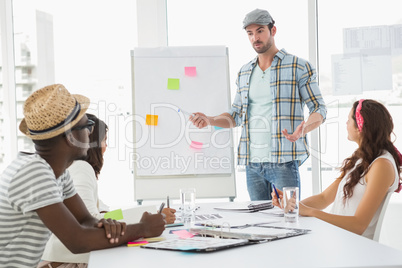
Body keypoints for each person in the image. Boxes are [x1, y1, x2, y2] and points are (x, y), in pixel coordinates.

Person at [0, 84, 165, 268]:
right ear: (71, 137)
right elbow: (77, 241)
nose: (89, 132)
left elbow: (87, 222)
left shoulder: (57, 173)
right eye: (88, 125)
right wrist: (143, 228)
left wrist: (107, 225)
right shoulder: (34, 172)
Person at [190, 8, 327, 200]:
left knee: (287, 222)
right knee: (259, 225)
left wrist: (303, 130)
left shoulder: (299, 66)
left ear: (273, 30)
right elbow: (235, 116)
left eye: (260, 30)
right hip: (252, 163)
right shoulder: (245, 72)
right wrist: (209, 119)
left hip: (283, 162)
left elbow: (319, 108)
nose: (255, 37)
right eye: (250, 33)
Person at [39, 113, 176, 267]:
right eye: (104, 140)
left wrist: (148, 213)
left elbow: (102, 215)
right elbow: (92, 223)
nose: (106, 146)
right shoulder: (81, 168)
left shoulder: (69, 170)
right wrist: (146, 220)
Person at [272, 99, 402, 239]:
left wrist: (309, 211)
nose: (346, 124)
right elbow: (324, 198)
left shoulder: (382, 166)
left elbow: (358, 225)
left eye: (348, 120)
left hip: (353, 248)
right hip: (337, 239)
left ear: (360, 127)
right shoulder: (361, 159)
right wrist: (292, 205)